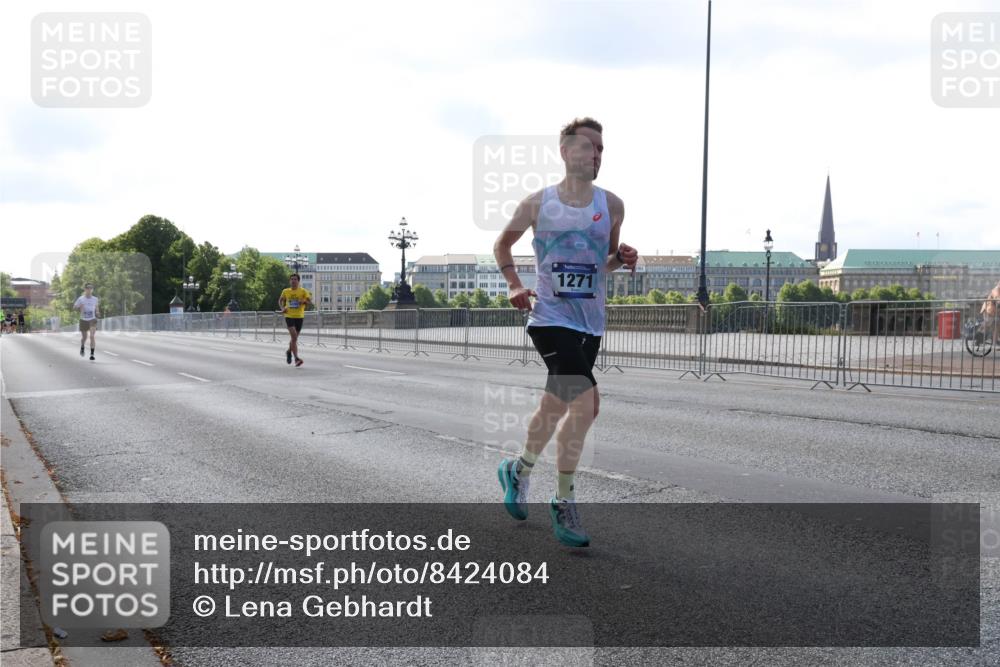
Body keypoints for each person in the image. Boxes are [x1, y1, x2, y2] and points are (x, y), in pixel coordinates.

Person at [493, 117, 638, 547]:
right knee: (588, 403)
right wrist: (515, 284)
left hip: (590, 323)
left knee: (554, 409)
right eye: (589, 146)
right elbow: (502, 245)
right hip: (550, 318)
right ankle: (564, 501)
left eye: (601, 149)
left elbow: (603, 262)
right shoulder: (538, 204)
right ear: (566, 151)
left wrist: (623, 257)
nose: (597, 154)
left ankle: (517, 470)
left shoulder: (612, 205)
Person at [278, 273, 312, 367]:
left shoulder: (303, 291)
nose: (293, 281)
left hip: (299, 316)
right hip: (289, 315)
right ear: (290, 281)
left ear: (298, 281)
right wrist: (282, 308)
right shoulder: (286, 291)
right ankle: (296, 358)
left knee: (294, 338)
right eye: (291, 279)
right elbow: (280, 300)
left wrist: (304, 301)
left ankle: (289, 351)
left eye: (295, 279)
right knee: (294, 337)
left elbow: (309, 301)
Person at [73, 283, 100, 360]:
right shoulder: (81, 299)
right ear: (85, 289)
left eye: (91, 288)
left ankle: (92, 354)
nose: (89, 290)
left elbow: (96, 307)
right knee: (84, 337)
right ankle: (82, 347)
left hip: (92, 319)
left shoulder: (95, 299)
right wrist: (79, 307)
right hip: (83, 320)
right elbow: (74, 307)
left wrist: (97, 312)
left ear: (92, 290)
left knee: (92, 336)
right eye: (88, 288)